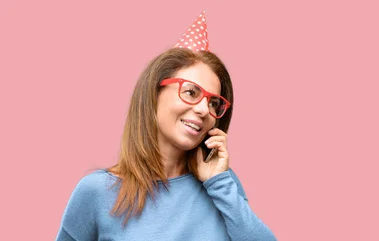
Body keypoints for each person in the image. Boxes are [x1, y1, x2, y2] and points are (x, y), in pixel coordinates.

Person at [55, 12, 277, 241]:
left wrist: (219, 183)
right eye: (191, 92)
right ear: (154, 94)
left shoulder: (221, 184)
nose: (203, 110)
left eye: (213, 103)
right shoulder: (97, 191)